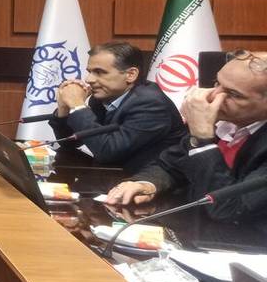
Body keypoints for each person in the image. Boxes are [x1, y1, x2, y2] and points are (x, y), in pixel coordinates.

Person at [106, 50, 267, 221]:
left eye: (234, 95)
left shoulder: (209, 124)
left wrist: (203, 139)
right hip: (195, 226)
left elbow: (229, 208)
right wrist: (146, 184)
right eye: (217, 83)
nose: (214, 96)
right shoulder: (225, 122)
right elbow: (171, 165)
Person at [48, 41, 186, 173]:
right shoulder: (101, 99)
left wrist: (77, 105)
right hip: (112, 178)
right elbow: (71, 142)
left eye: (99, 72)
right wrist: (64, 109)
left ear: (131, 75)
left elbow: (107, 152)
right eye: (89, 72)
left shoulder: (151, 104)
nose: (89, 79)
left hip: (148, 184)